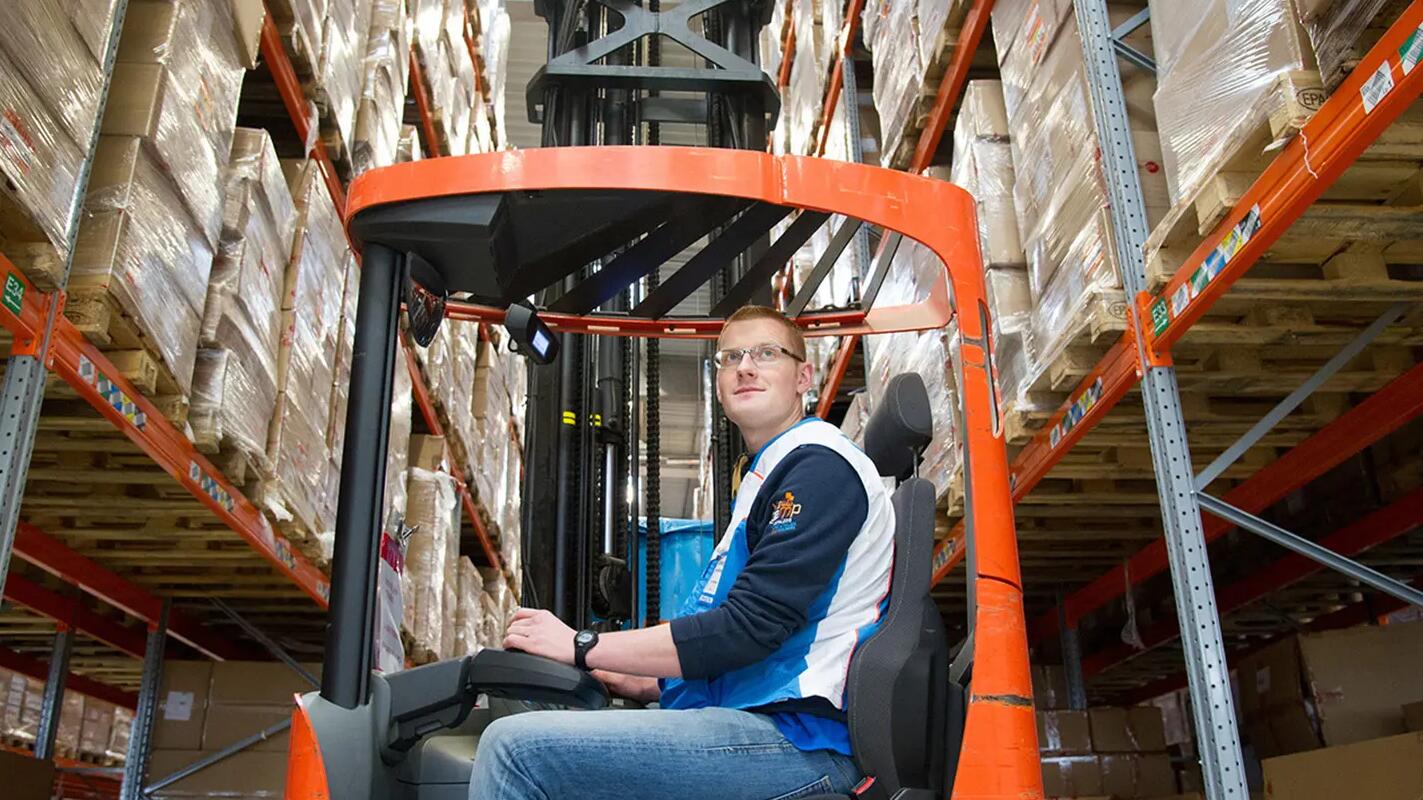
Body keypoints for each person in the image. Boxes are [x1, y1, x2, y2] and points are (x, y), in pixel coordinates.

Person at [470, 305, 894, 800]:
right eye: (731, 357)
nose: (746, 367)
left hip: (799, 743)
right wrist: (651, 682)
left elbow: (747, 628)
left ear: (804, 375)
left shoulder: (821, 467)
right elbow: (754, 641)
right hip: (766, 725)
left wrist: (583, 645)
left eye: (765, 353)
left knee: (514, 751)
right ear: (718, 382)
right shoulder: (769, 474)